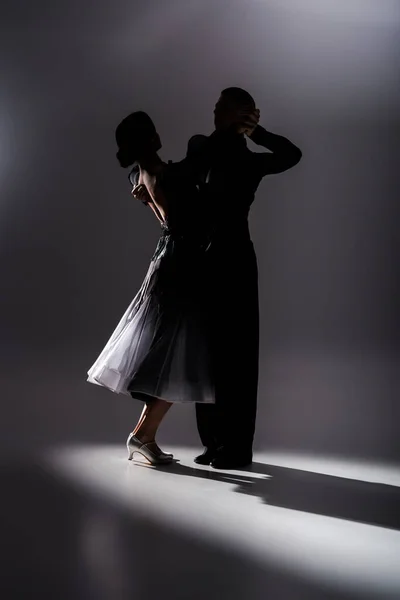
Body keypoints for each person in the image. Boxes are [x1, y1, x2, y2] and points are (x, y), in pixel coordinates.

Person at [87, 111, 222, 465]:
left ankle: (143, 434)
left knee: (174, 353)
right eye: (153, 132)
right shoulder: (168, 173)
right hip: (181, 265)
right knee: (178, 354)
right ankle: (143, 435)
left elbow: (167, 222)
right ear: (149, 138)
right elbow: (183, 218)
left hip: (170, 258)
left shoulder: (142, 175)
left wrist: (148, 201)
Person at [187, 87, 302, 469]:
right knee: (205, 353)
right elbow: (182, 172)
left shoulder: (250, 161)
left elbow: (292, 155)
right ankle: (214, 443)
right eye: (217, 105)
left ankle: (237, 447)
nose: (215, 110)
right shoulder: (201, 146)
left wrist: (257, 131)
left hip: (235, 260)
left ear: (247, 114)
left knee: (236, 355)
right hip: (203, 260)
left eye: (225, 107)